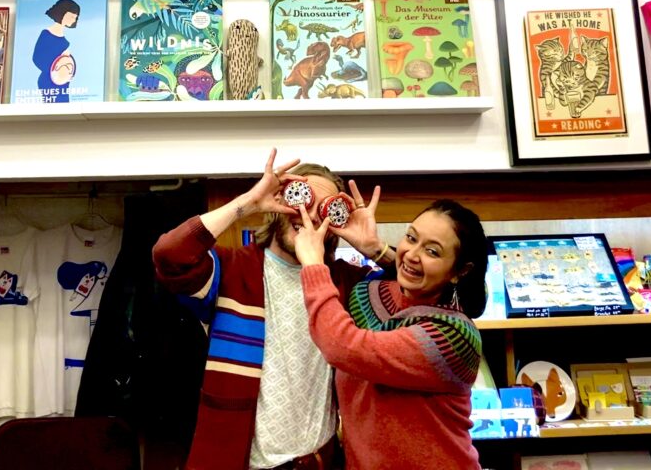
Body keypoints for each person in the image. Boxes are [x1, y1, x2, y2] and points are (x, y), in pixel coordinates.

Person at [152, 149, 395, 470]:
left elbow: (423, 297)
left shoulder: (346, 283)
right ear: (280, 201)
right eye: (301, 198)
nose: (308, 215)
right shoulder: (232, 270)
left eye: (323, 209)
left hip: (319, 462)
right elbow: (169, 255)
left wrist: (376, 249)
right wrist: (248, 202)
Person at [295, 198, 487, 470]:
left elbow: (342, 346)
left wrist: (313, 265)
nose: (411, 254)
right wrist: (376, 249)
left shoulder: (453, 335)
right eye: (411, 238)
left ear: (460, 272)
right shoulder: (367, 292)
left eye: (432, 251)